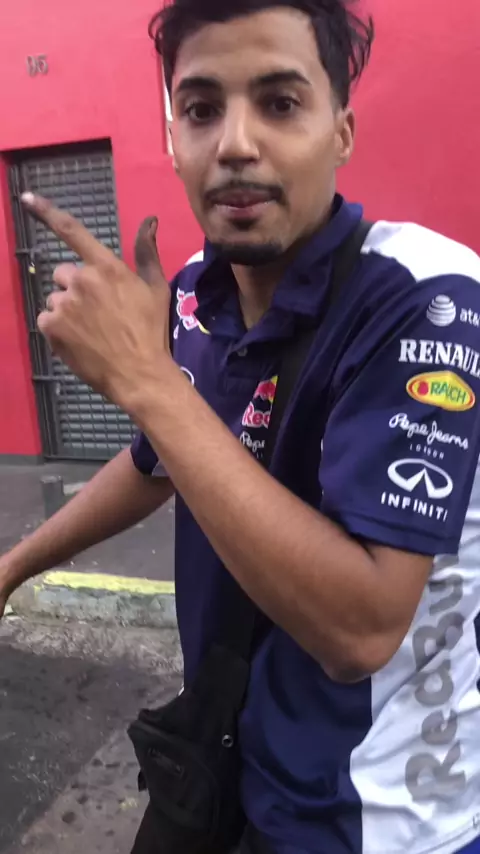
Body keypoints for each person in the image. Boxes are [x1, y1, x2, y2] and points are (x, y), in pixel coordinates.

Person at [2, 0, 480, 851]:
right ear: (173, 138)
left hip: (383, 819)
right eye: (201, 108)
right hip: (233, 771)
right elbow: (155, 462)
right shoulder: (196, 289)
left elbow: (361, 629)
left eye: (280, 102)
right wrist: (12, 568)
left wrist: (147, 381)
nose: (235, 143)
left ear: (342, 131)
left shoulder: (427, 297)